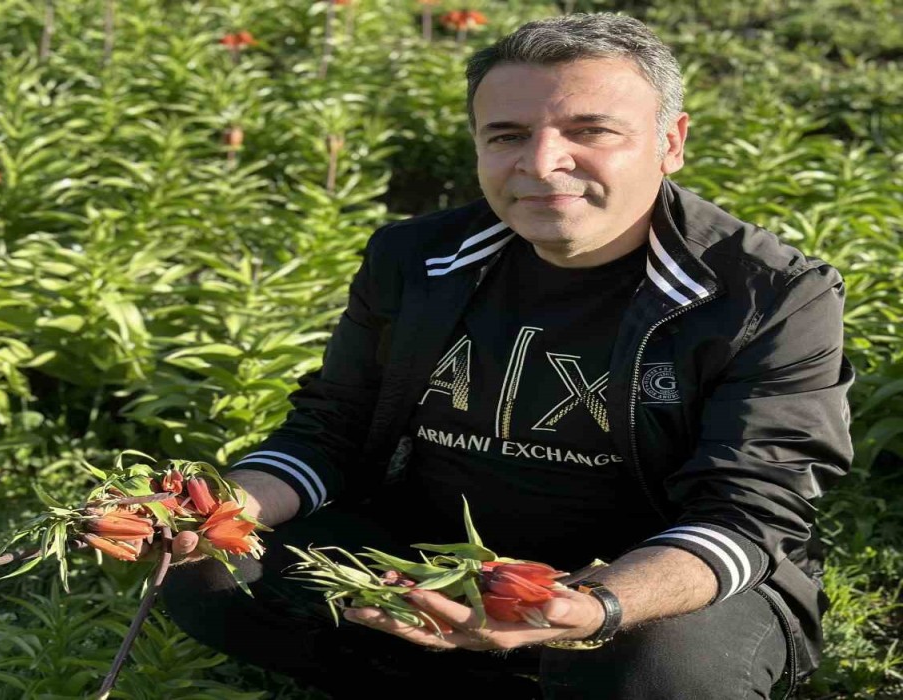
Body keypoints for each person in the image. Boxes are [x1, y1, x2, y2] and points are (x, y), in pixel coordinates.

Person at [157, 12, 854, 699]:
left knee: (659, 673)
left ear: (670, 142)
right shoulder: (416, 259)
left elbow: (748, 510)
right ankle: (468, 664)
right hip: (435, 552)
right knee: (214, 571)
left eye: (590, 130)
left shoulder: (769, 294)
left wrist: (591, 606)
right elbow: (332, 428)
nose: (542, 161)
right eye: (508, 135)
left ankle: (539, 663)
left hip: (650, 573)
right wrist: (216, 509)